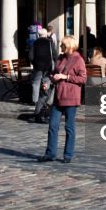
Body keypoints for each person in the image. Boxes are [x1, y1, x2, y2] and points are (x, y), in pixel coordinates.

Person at [38, 36, 86, 164]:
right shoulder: (60, 58)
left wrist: (66, 76)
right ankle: (50, 153)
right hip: (58, 96)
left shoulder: (78, 59)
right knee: (52, 126)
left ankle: (68, 155)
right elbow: (53, 72)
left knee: (69, 127)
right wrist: (50, 80)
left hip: (71, 97)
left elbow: (83, 78)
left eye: (63, 45)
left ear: (69, 45)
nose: (61, 47)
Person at [28, 28, 57, 114]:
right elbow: (55, 54)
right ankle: (45, 100)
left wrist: (34, 63)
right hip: (48, 66)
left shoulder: (35, 43)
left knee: (35, 83)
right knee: (46, 82)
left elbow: (30, 56)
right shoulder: (49, 42)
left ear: (38, 35)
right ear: (46, 35)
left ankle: (35, 101)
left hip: (38, 66)